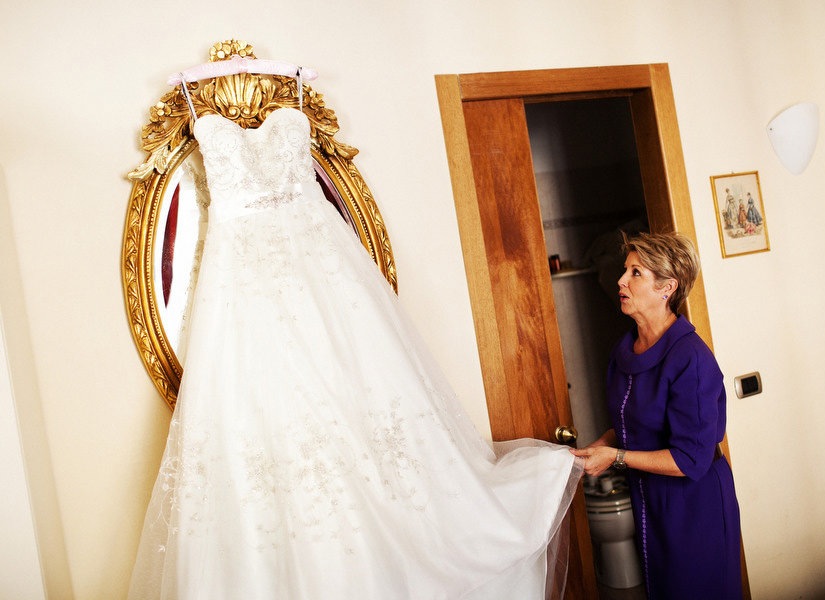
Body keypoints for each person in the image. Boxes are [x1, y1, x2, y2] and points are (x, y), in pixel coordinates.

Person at [127, 89, 582, 598]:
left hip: (321, 265)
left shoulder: (294, 91)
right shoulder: (194, 97)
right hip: (241, 281)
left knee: (372, 415)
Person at [570, 231, 742, 599]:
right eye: (625, 270)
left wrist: (614, 458)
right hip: (649, 496)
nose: (620, 280)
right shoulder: (624, 350)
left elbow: (690, 458)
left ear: (667, 288)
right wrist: (599, 445)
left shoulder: (691, 359)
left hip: (694, 504)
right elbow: (632, 420)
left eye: (636, 273)